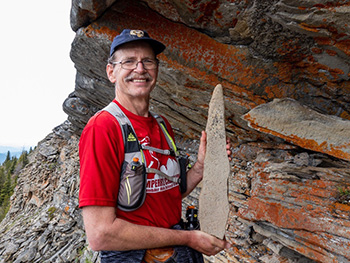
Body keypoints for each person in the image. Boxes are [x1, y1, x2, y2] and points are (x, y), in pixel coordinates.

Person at [79, 29, 231, 263]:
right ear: (111, 72)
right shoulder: (103, 128)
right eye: (128, 61)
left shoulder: (161, 125)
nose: (140, 69)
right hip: (135, 257)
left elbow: (165, 195)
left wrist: (201, 168)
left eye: (147, 61)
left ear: (156, 69)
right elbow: (101, 235)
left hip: (178, 253)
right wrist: (188, 239)